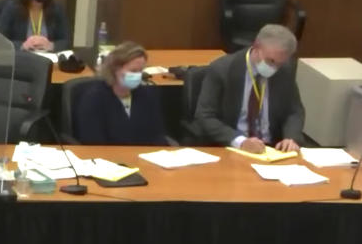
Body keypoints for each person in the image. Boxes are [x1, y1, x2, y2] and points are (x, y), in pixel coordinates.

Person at [194, 24, 304, 153]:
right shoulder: (222, 69)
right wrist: (240, 142)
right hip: (232, 147)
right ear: (256, 46)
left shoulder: (284, 71)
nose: (274, 69)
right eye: (271, 61)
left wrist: (290, 138)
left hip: (273, 150)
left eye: (280, 64)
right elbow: (205, 116)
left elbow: (294, 111)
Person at [76, 42, 168, 145]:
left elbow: (158, 136)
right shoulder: (94, 98)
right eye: (133, 71)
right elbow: (93, 142)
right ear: (115, 69)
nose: (137, 75)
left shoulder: (148, 95)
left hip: (143, 157)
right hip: (108, 158)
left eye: (140, 70)